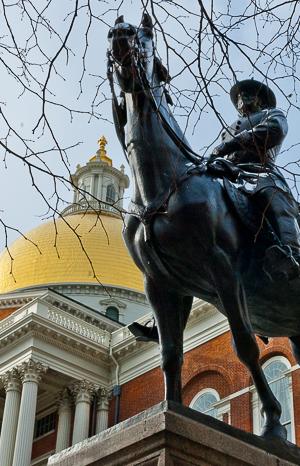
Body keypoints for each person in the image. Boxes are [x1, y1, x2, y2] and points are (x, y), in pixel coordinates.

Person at [129, 79, 300, 343]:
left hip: (258, 172)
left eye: (248, 94)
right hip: (227, 174)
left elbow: (274, 132)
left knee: (273, 196)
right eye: (239, 96)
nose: (243, 99)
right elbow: (221, 153)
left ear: (260, 98)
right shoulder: (229, 128)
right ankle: (165, 322)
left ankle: (289, 253)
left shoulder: (272, 114)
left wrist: (231, 145)